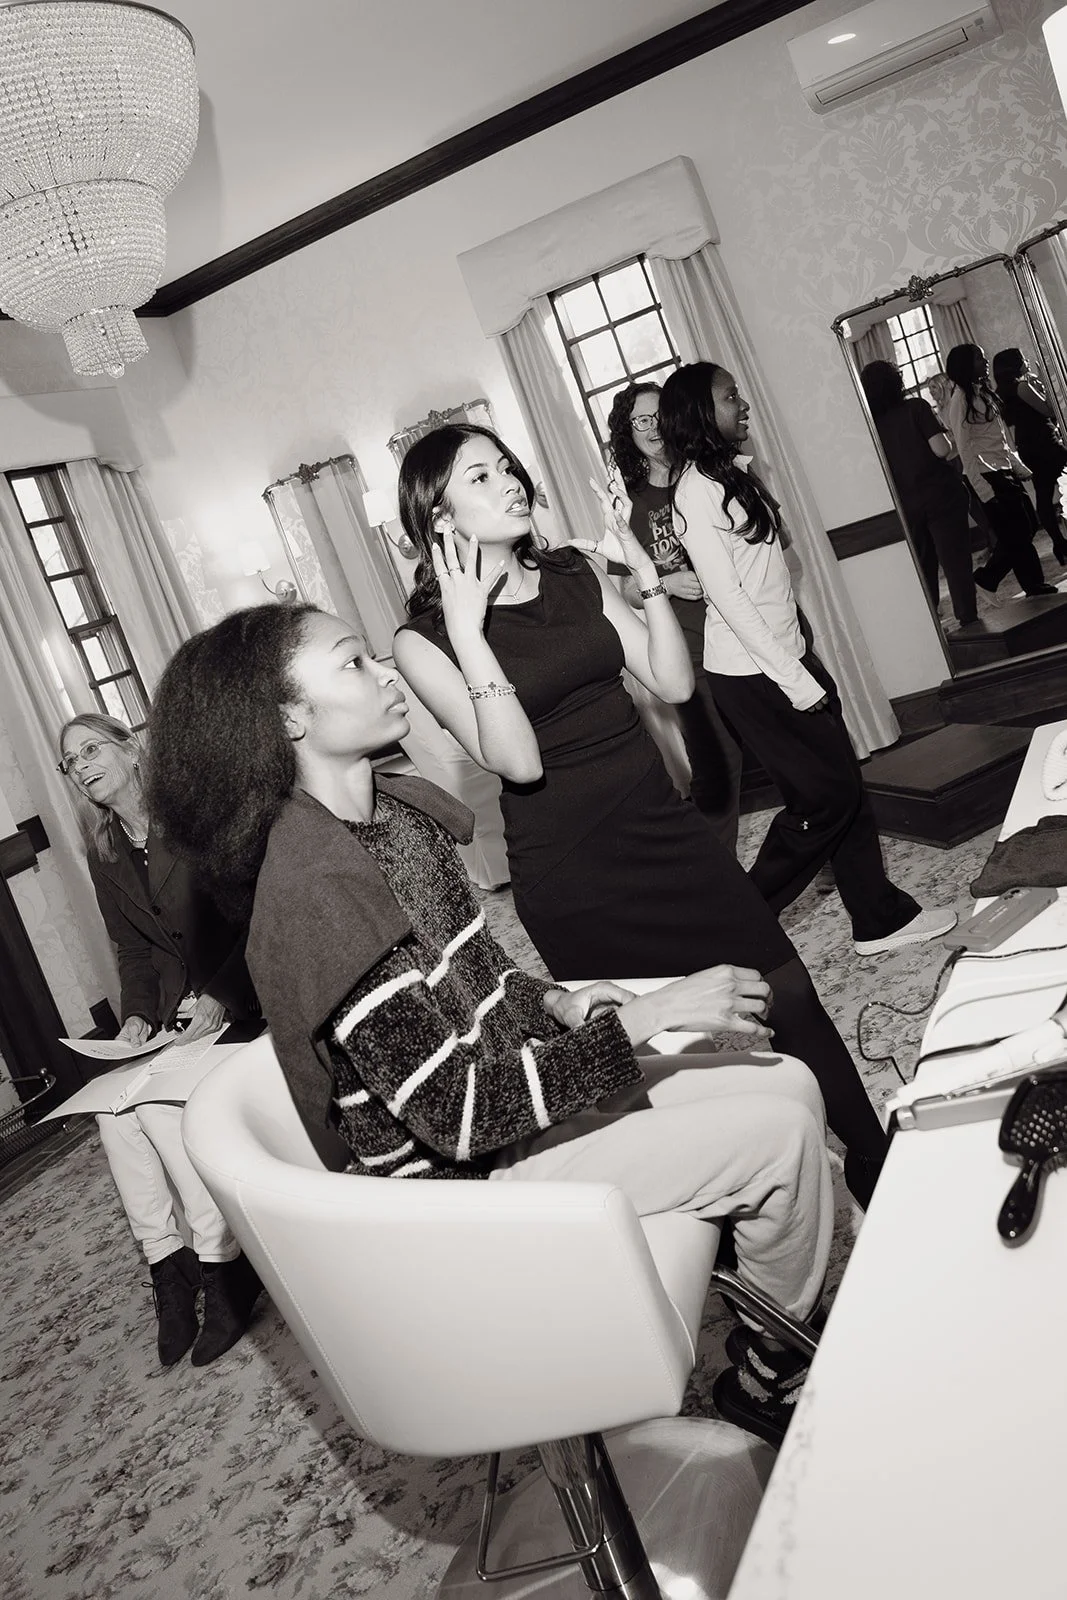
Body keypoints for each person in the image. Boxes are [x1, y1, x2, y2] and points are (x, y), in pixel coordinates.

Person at [146, 602, 834, 1447]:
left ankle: (768, 1309)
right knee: (779, 1139)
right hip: (463, 1194)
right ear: (289, 717)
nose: (387, 672)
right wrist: (649, 1016)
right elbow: (460, 1119)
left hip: (512, 1117)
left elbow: (482, 973)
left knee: (787, 1081)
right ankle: (772, 1376)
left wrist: (555, 1002)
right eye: (353, 664)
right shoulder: (318, 894)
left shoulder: (392, 816)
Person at [389, 423, 889, 1207]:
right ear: (439, 518)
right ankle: (712, 1211)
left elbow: (671, 682)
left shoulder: (572, 574)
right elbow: (516, 763)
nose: (510, 481)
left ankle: (872, 1160)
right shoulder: (424, 641)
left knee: (785, 992)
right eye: (480, 477)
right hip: (572, 873)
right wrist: (465, 626)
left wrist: (643, 572)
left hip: (664, 830)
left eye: (507, 466)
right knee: (641, 1052)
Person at [656, 361, 956, 961]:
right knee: (826, 800)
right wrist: (794, 680)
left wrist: (801, 660)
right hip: (754, 675)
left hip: (786, 657)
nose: (741, 403)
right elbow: (731, 601)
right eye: (727, 397)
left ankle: (878, 918)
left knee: (842, 788)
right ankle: (738, 919)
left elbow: (770, 571)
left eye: (738, 392)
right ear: (697, 413)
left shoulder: (730, 475)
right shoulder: (694, 491)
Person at [58, 713, 263, 1367]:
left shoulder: (196, 812)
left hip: (243, 996)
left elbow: (257, 913)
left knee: (153, 1107)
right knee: (111, 1114)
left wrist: (220, 994)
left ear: (129, 748)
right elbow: (131, 951)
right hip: (175, 1014)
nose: (83, 765)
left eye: (92, 748)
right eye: (71, 761)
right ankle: (167, 1269)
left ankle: (222, 1261)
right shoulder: (104, 849)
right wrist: (137, 1018)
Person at [606, 381, 743, 849]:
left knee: (788, 743)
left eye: (659, 415)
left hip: (748, 637)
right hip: (691, 656)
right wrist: (664, 584)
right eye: (641, 420)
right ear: (629, 432)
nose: (654, 427)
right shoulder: (628, 503)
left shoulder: (707, 475)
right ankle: (716, 873)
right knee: (717, 767)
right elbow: (623, 587)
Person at [860, 360, 977, 630]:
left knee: (924, 565)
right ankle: (968, 618)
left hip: (906, 503)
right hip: (941, 494)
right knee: (955, 559)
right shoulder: (916, 407)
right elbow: (941, 449)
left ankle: (932, 623)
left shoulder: (870, 424)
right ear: (896, 383)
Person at [941, 344, 1054, 598]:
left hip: (1003, 469)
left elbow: (999, 437)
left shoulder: (983, 394)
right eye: (980, 358)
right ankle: (1030, 585)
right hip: (986, 475)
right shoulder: (960, 401)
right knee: (1018, 530)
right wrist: (983, 489)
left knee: (1025, 526)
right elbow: (964, 447)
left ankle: (988, 578)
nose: (986, 361)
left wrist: (1017, 466)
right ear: (966, 366)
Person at [992, 347, 1067, 565]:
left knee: (1043, 496)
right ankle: (1060, 542)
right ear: (1015, 364)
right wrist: (1043, 381)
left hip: (1027, 446)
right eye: (1022, 357)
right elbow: (1049, 411)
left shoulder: (1001, 393)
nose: (1026, 360)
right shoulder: (1022, 386)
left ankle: (1059, 544)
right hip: (1045, 442)